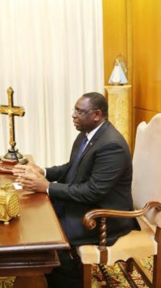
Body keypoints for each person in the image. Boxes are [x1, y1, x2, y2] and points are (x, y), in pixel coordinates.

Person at [13, 92, 140, 287]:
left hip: (104, 216)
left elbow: (93, 192)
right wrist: (44, 171)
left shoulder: (112, 145)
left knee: (49, 235)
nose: (73, 115)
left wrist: (47, 188)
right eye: (75, 110)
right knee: (35, 217)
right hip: (84, 204)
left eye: (79, 112)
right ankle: (40, 275)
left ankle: (68, 282)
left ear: (96, 114)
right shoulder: (86, 134)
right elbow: (71, 167)